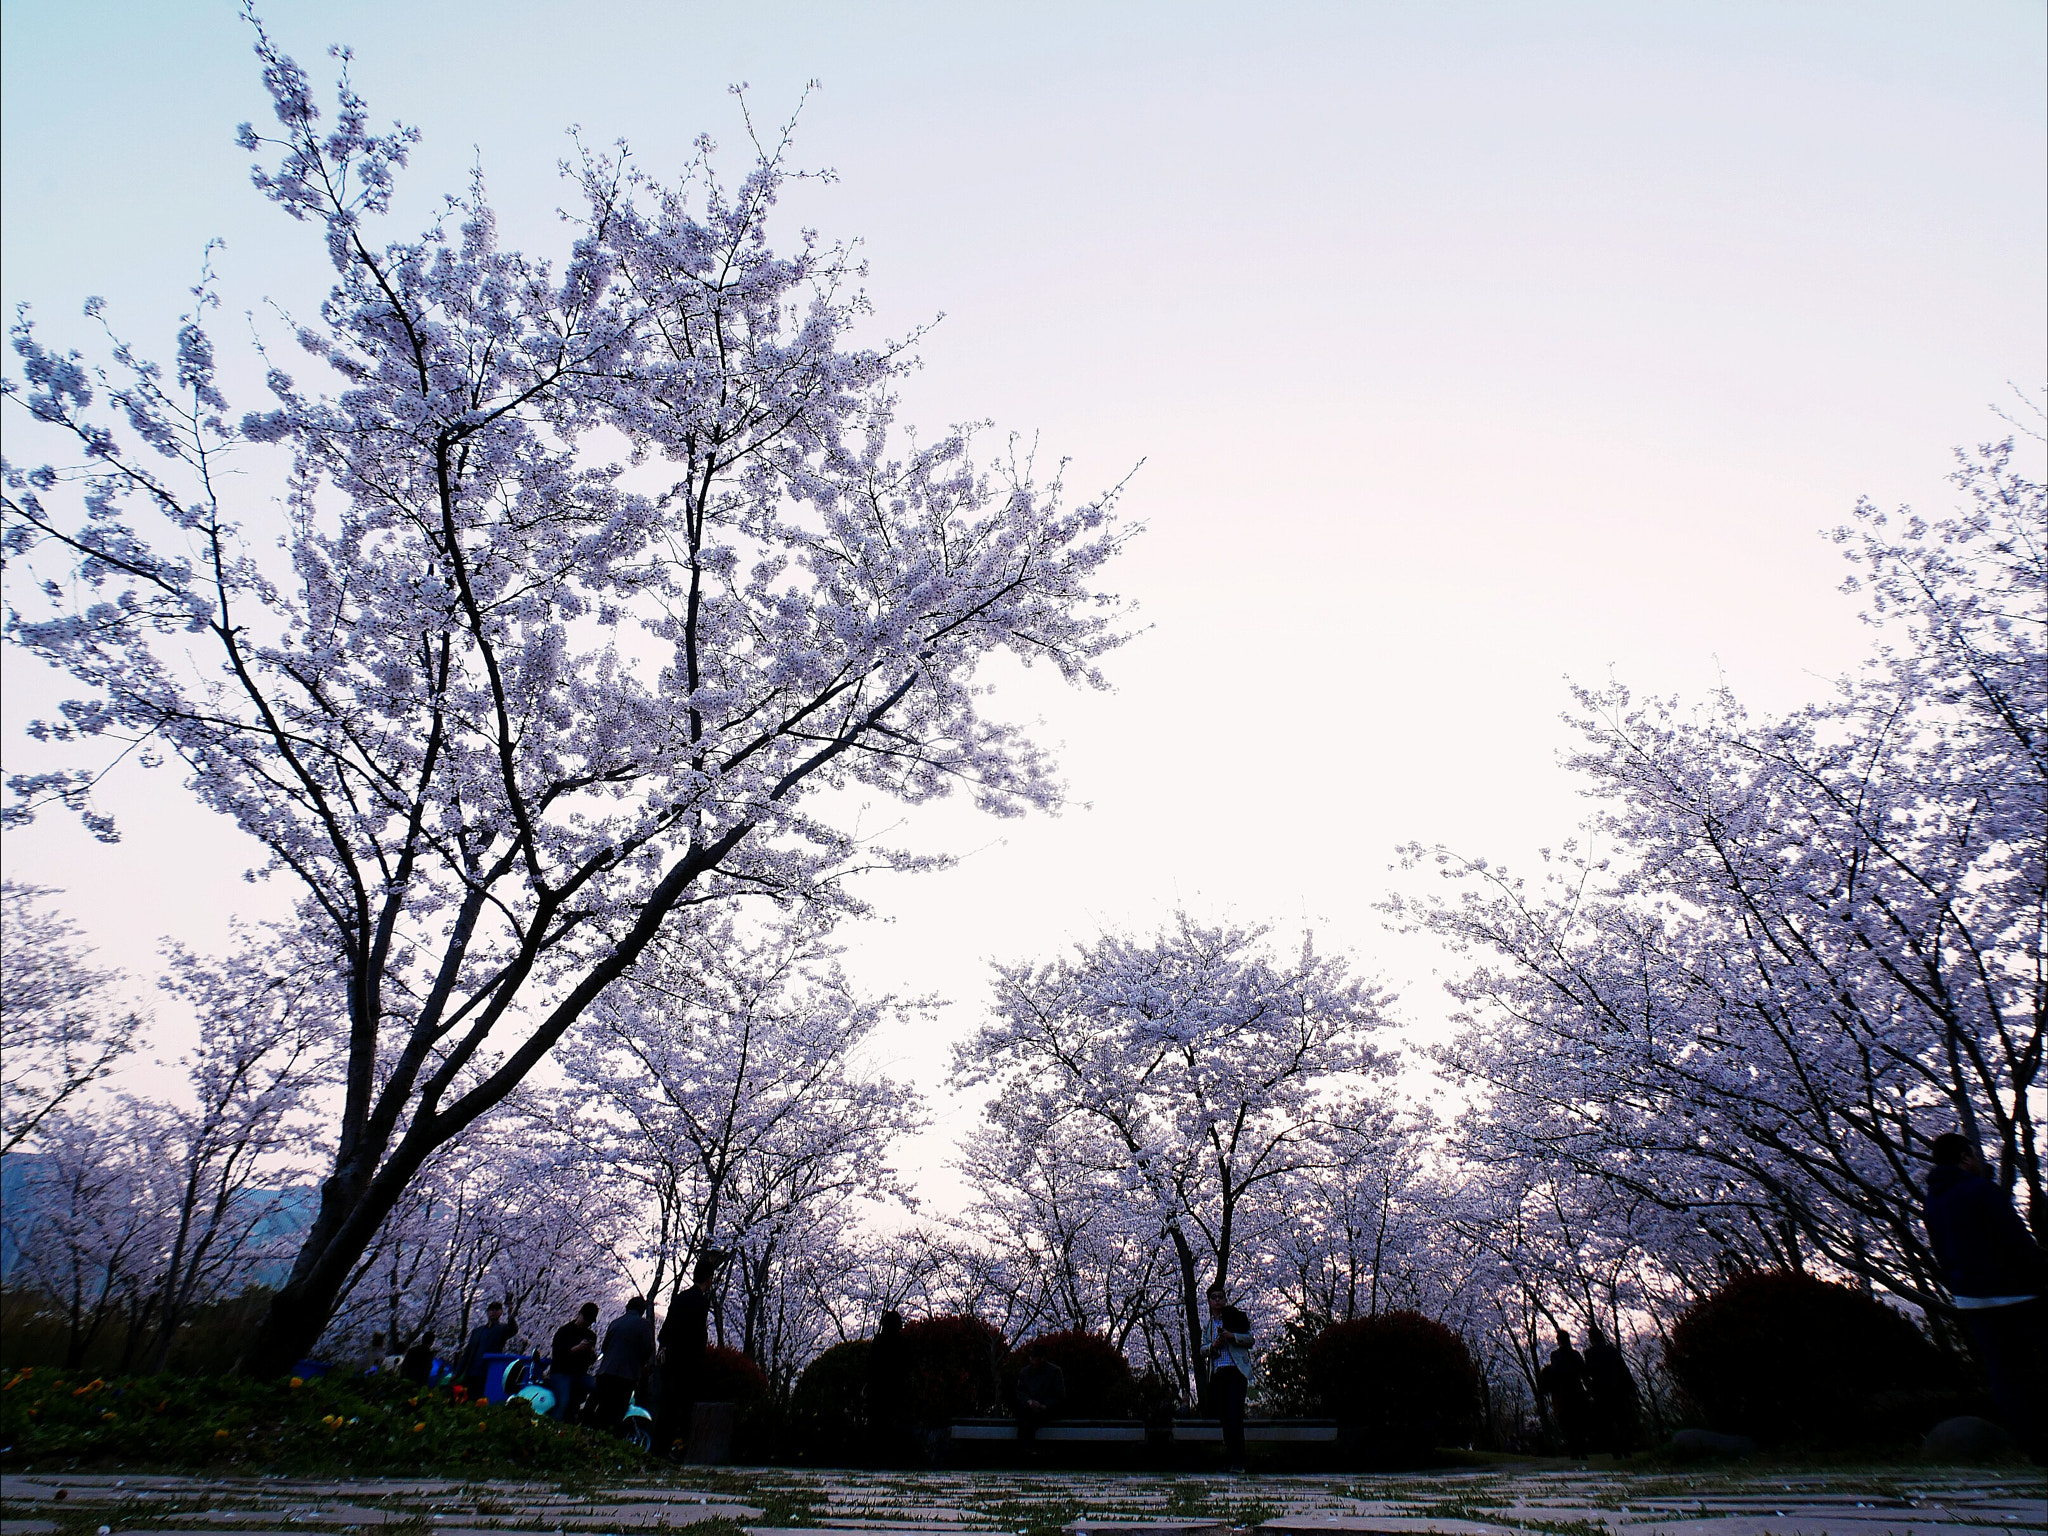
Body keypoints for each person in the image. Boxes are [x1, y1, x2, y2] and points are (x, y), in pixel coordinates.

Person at [1923, 1132, 2048, 1452]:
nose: (1980, 1160)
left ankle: (2033, 1445)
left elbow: (1939, 1251)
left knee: (2005, 1374)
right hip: (2016, 1293)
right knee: (2033, 1365)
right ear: (1965, 1157)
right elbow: (2016, 1239)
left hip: (1972, 1298)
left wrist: (1959, 1284)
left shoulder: (1933, 1201)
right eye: (1975, 1154)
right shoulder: (1981, 1190)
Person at [654, 1249, 731, 1458]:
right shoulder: (700, 1301)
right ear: (709, 1279)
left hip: (672, 1359)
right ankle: (677, 1450)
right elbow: (698, 1334)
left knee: (667, 1406)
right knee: (683, 1408)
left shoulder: (680, 1298)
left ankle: (658, 1449)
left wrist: (664, 1348)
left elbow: (666, 1329)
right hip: (688, 1362)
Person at [1202, 1283, 1254, 1474]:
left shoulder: (1234, 1317)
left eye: (1220, 1297)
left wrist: (1232, 1336)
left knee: (1235, 1414)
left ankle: (1239, 1461)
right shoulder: (1208, 1326)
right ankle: (1231, 1459)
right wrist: (1213, 1346)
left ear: (1225, 1300)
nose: (1217, 1300)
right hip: (1219, 1372)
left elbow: (1250, 1339)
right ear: (1209, 1302)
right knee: (1224, 1417)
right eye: (1214, 1297)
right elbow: (1202, 1349)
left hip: (1236, 1372)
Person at [589, 1296, 657, 1434]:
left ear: (627, 1307)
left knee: (600, 1406)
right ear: (642, 1311)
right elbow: (647, 1350)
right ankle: (607, 1440)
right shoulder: (644, 1325)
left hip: (606, 1371)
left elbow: (604, 1347)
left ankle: (590, 1434)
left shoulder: (615, 1322)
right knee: (616, 1412)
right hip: (626, 1375)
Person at [1582, 1326, 1640, 1457]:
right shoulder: (1613, 1350)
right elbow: (1623, 1369)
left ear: (1591, 1339)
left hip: (1601, 1390)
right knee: (1621, 1420)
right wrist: (1630, 1388)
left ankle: (1615, 1450)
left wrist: (1590, 1389)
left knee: (1607, 1421)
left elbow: (1588, 1372)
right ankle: (1626, 1448)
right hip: (1618, 1388)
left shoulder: (1589, 1353)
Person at [864, 1309, 910, 1468]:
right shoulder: (902, 1343)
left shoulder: (878, 1342)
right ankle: (894, 1458)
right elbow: (906, 1368)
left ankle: (875, 1458)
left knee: (876, 1427)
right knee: (893, 1426)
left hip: (877, 1392)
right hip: (896, 1392)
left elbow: (870, 1367)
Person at [1536, 1331, 1592, 1459]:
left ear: (1559, 1341)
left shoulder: (1556, 1355)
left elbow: (1555, 1371)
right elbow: (1584, 1372)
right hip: (1577, 1390)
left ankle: (1574, 1451)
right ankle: (1582, 1450)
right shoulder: (1576, 1354)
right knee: (1579, 1422)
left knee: (1568, 1423)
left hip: (1563, 1393)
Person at [548, 1302, 601, 1423]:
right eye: (585, 1319)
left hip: (580, 1374)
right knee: (563, 1401)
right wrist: (576, 1349)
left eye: (589, 1321)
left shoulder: (590, 1335)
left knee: (600, 1388)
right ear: (579, 1314)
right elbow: (558, 1356)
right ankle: (553, 1425)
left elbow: (590, 1362)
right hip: (561, 1373)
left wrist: (591, 1353)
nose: (586, 1323)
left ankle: (586, 1417)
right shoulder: (564, 1332)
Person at [455, 1298, 518, 1395]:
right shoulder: (477, 1331)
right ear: (487, 1312)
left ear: (501, 1313)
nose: (493, 1312)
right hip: (471, 1372)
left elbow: (513, 1330)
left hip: (488, 1373)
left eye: (497, 1310)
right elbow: (467, 1354)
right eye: (491, 1310)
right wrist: (457, 1373)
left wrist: (510, 1313)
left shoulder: (502, 1330)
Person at [1013, 1354, 1067, 1449]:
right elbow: (1020, 1392)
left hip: (1047, 1411)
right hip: (1028, 1409)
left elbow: (1060, 1397)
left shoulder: (1054, 1371)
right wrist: (1029, 1402)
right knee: (1025, 1418)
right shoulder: (1025, 1372)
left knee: (1027, 1420)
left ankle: (1027, 1449)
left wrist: (1044, 1406)